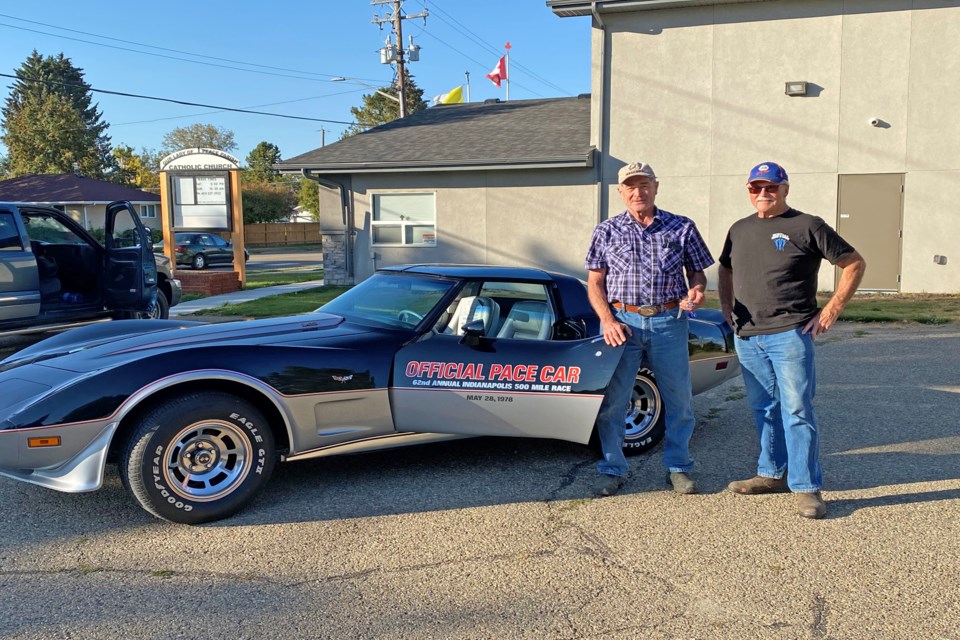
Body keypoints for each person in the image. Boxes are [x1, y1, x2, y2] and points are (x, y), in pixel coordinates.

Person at [718, 162, 866, 519]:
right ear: (749, 190)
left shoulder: (807, 225)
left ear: (785, 189)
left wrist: (831, 310)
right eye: (756, 187)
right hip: (748, 336)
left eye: (771, 187)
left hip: (790, 334)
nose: (763, 194)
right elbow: (725, 268)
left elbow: (854, 262)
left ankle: (806, 487)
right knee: (763, 409)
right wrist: (726, 308)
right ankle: (771, 474)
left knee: (797, 409)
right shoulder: (739, 229)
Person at [585, 161, 714, 497]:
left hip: (668, 322)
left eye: (644, 185)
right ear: (620, 191)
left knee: (679, 399)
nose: (638, 192)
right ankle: (613, 468)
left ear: (656, 187)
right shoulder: (607, 230)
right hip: (622, 324)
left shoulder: (681, 227)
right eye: (631, 186)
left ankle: (678, 467)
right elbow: (595, 282)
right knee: (615, 401)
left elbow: (698, 274)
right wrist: (608, 320)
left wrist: (697, 290)